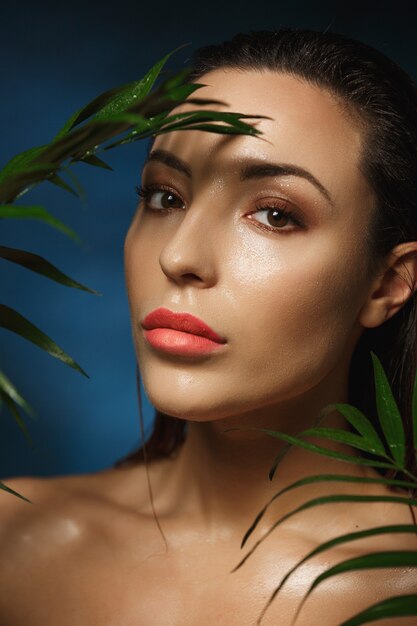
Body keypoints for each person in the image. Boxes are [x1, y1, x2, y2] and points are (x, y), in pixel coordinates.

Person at [1, 27, 417, 626]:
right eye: (164, 197)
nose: (179, 255)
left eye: (274, 214)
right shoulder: (15, 541)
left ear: (387, 283)